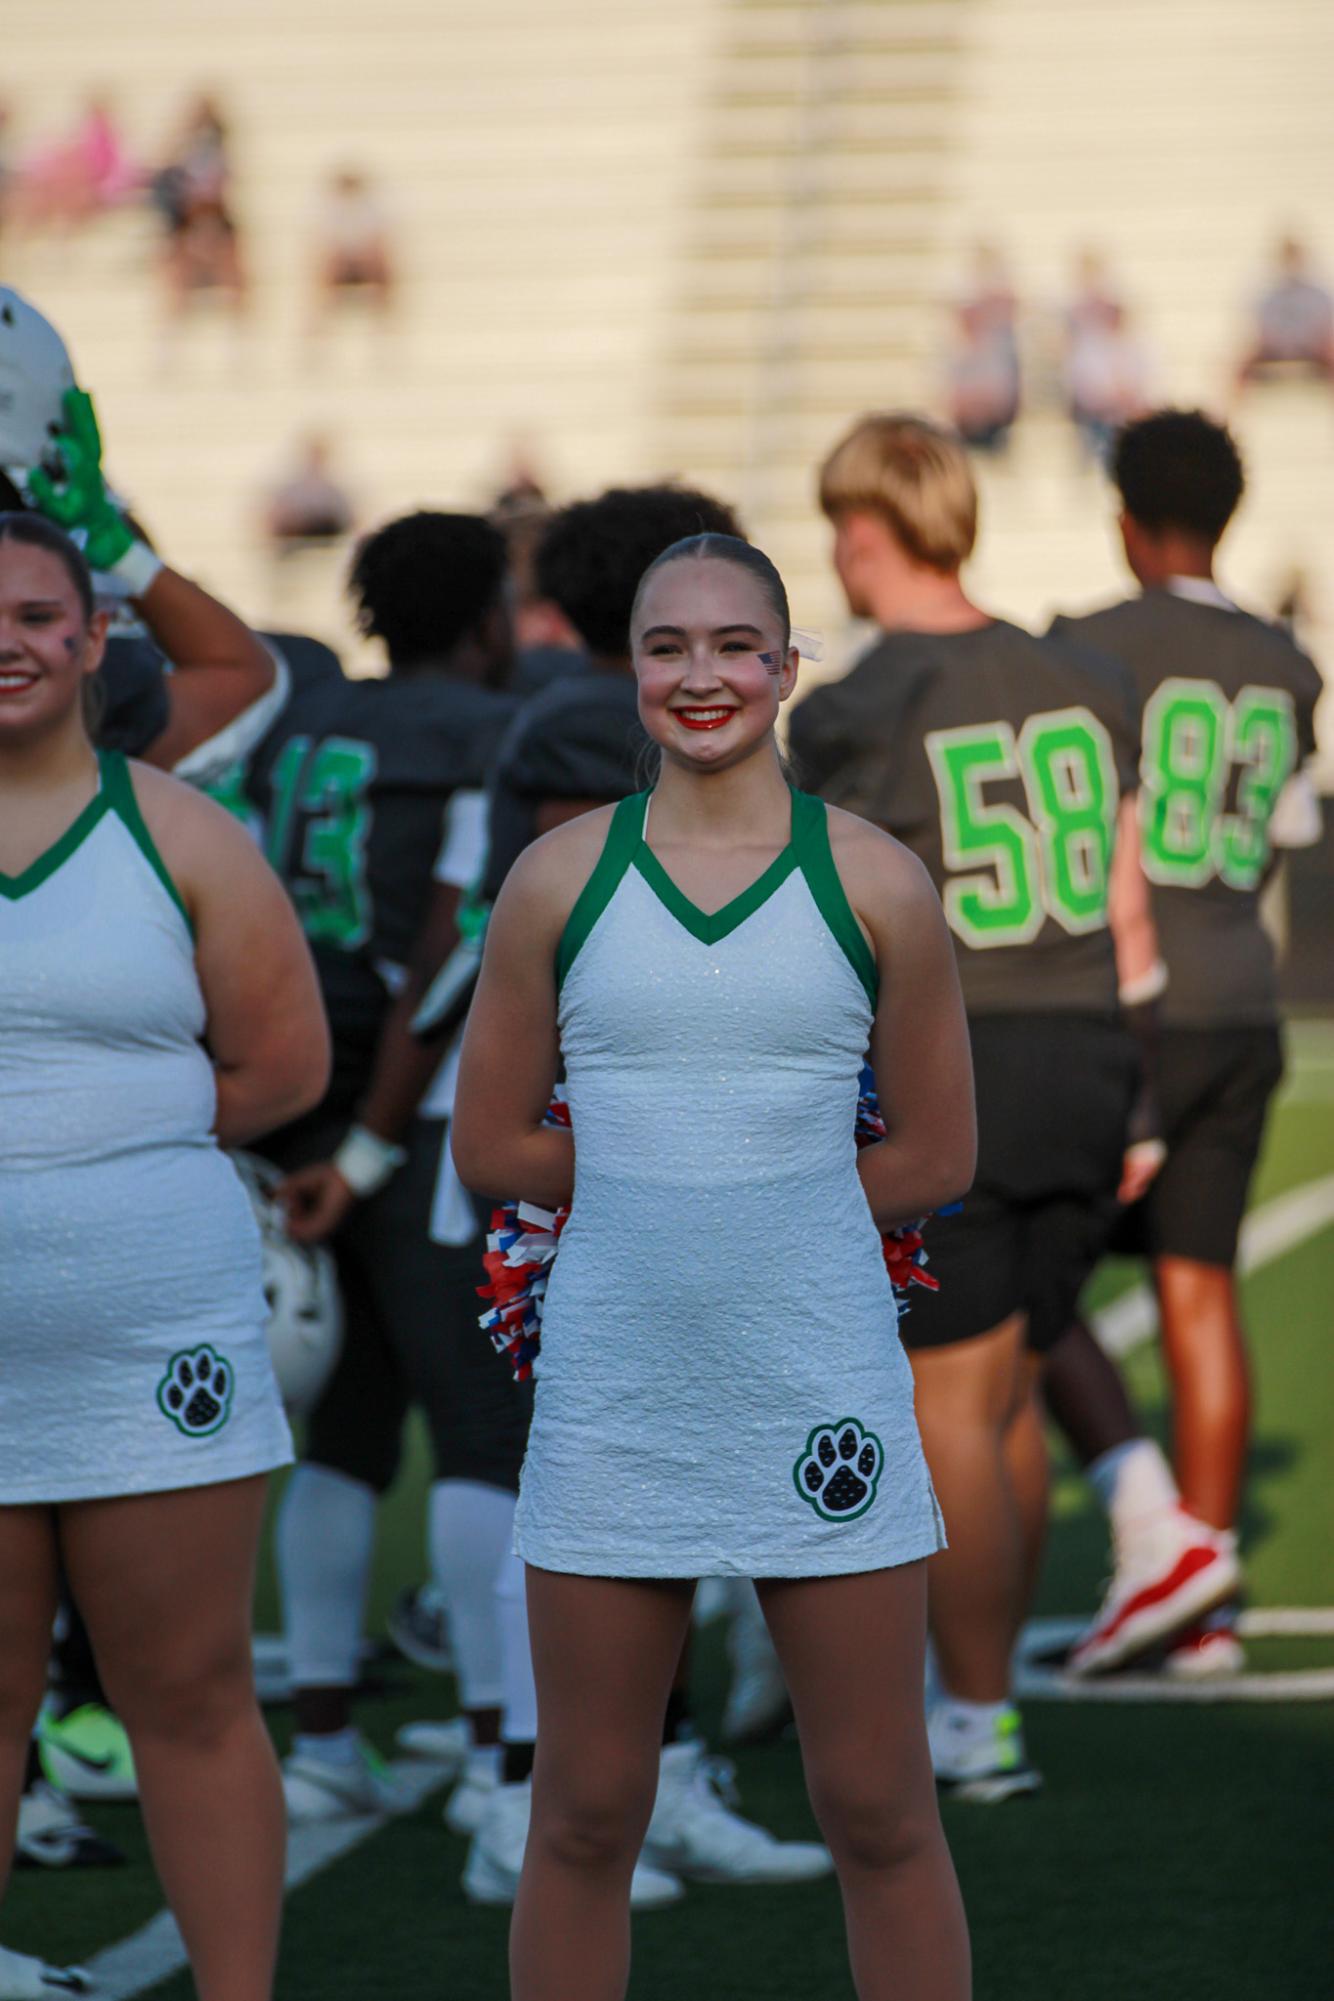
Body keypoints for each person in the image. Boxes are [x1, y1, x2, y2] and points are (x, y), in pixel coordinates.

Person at [452, 531, 974, 2001]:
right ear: (629, 671)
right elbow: (491, 1141)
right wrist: (647, 1173)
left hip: (819, 1382)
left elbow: (936, 1154)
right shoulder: (559, 880)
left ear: (786, 666)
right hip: (618, 1384)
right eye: (667, 645)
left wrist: (760, 1197)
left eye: (734, 643)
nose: (702, 675)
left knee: (876, 1807)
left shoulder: (873, 882)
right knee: (586, 1811)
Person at [789, 412, 1204, 1796]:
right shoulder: (1082, 675)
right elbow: (1127, 898)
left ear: (863, 532)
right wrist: (1138, 1089)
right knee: (1011, 1386)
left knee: (947, 1405)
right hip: (1090, 1050)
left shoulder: (856, 707)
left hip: (960, 1064)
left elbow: (819, 916)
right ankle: (984, 1682)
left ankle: (971, 1711)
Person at [0, 512, 330, 2000]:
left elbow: (278, 1065)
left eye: (33, 612)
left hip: (155, 1330)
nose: (7, 639)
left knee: (187, 1692)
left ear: (89, 639)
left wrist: (94, 1159)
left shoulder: (179, 829)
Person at [212, 511, 527, 1824]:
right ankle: (489, 1743)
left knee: (339, 1430)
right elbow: (449, 962)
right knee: (473, 1428)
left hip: (282, 1092)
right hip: (392, 1112)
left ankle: (329, 1734)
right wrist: (371, 1142)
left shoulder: (292, 722)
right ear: (482, 621)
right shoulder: (480, 736)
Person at [1049, 409, 1325, 1672]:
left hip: (1117, 996)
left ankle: (1039, 1582)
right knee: (1198, 1291)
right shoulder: (1282, 660)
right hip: (1239, 992)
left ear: (1124, 516)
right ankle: (1198, 1601)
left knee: (1014, 1296)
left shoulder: (1085, 646)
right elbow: (1275, 835)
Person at [1236, 235, 1334, 385]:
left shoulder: (1317, 293)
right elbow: (1263, 330)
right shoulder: (1267, 292)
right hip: (1273, 350)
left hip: (1313, 349)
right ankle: (1232, 407)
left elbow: (1323, 328)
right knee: (1240, 362)